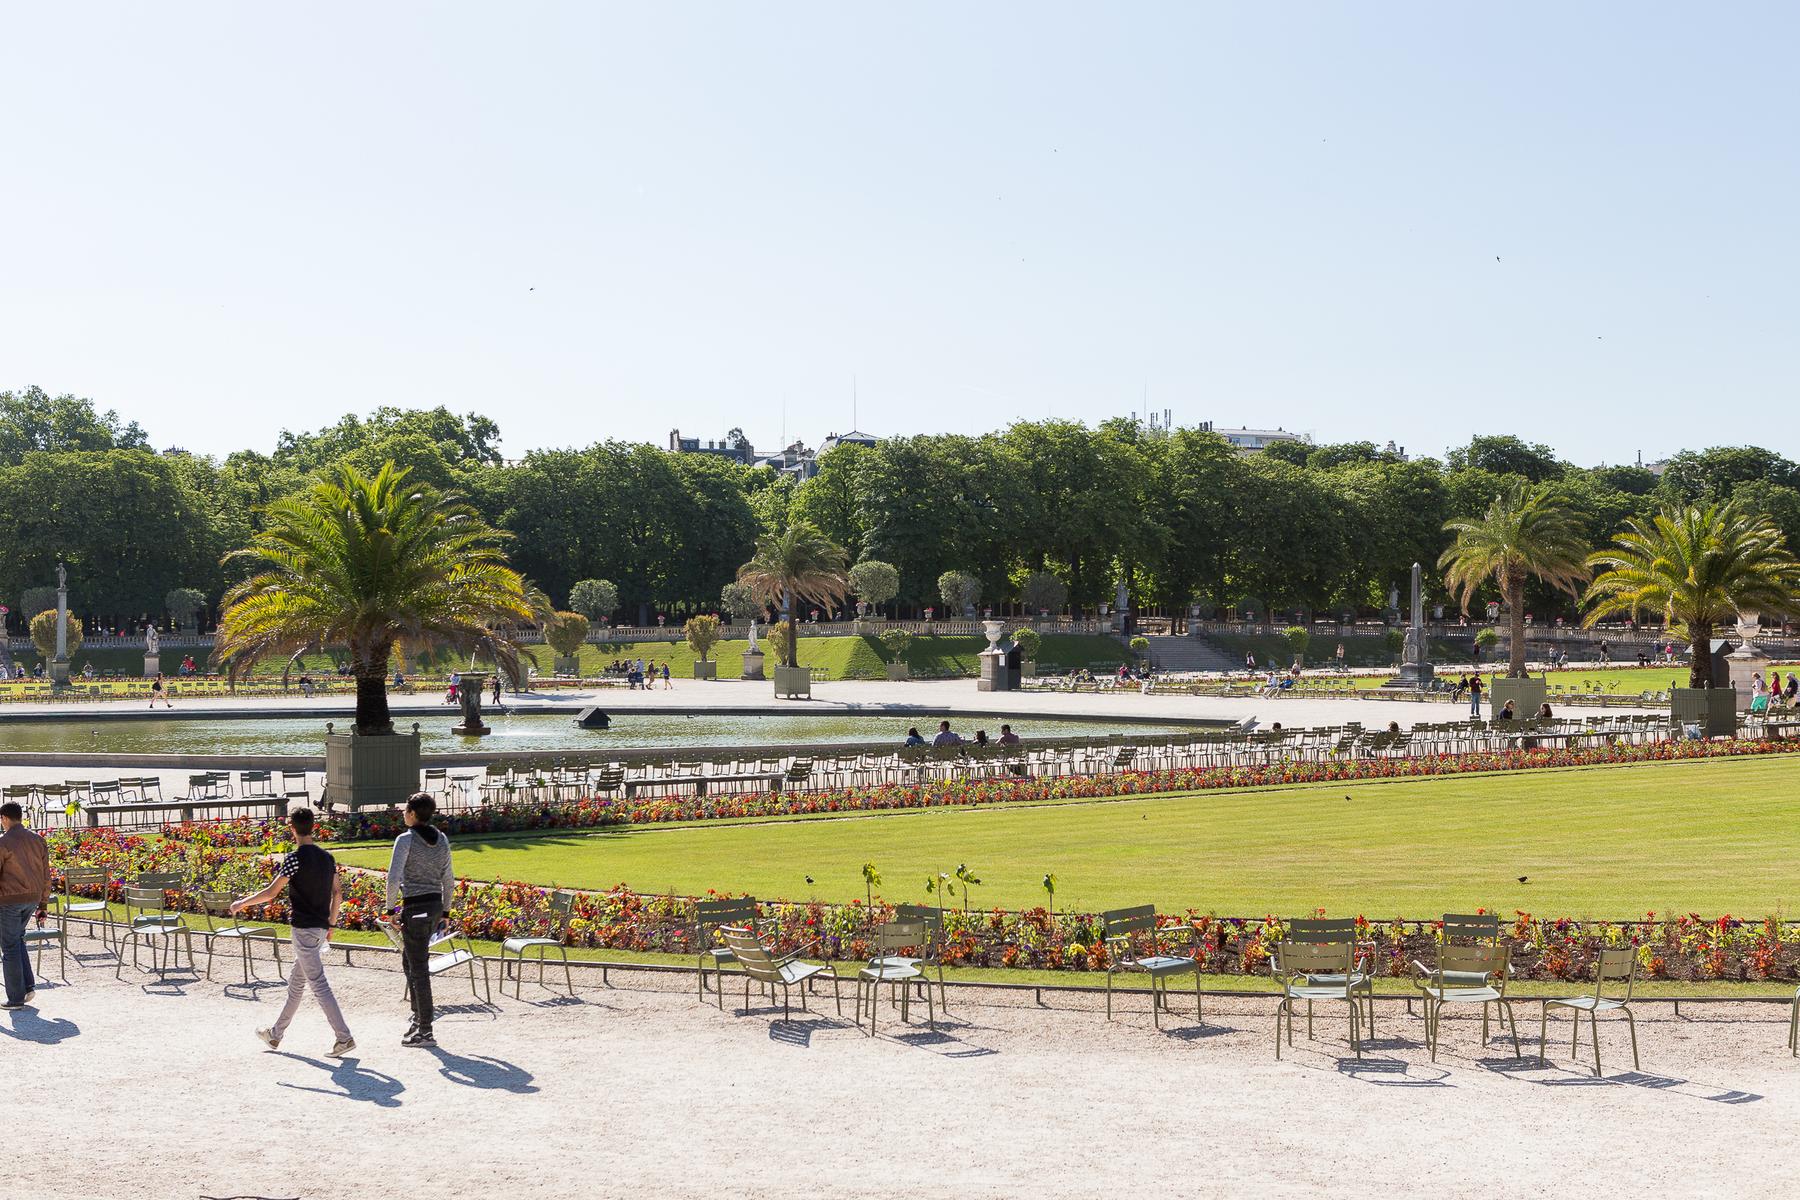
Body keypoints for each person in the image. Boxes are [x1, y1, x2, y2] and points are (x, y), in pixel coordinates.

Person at [230, 808, 355, 1056]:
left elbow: (271, 892)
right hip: (320, 928)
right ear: (313, 827)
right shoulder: (327, 858)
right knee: (297, 984)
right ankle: (275, 1035)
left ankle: (344, 1037)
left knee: (318, 985)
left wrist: (242, 903)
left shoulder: (294, 858)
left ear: (292, 829)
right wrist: (331, 925)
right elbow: (338, 894)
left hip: (304, 929)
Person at [386, 793, 455, 1048]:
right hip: (435, 906)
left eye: (406, 810)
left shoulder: (406, 839)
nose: (403, 814)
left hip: (416, 906)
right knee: (410, 961)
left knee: (419, 969)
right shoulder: (442, 839)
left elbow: (394, 877)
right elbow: (448, 879)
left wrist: (390, 909)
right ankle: (418, 1019)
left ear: (413, 814)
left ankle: (425, 1029)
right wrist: (446, 912)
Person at [0, 801, 50, 1011]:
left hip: (9, 899)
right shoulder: (38, 839)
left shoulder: (3, 842)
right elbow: (46, 874)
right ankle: (27, 987)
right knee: (17, 940)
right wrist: (43, 904)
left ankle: (15, 998)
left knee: (9, 946)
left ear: (4, 818)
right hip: (32, 898)